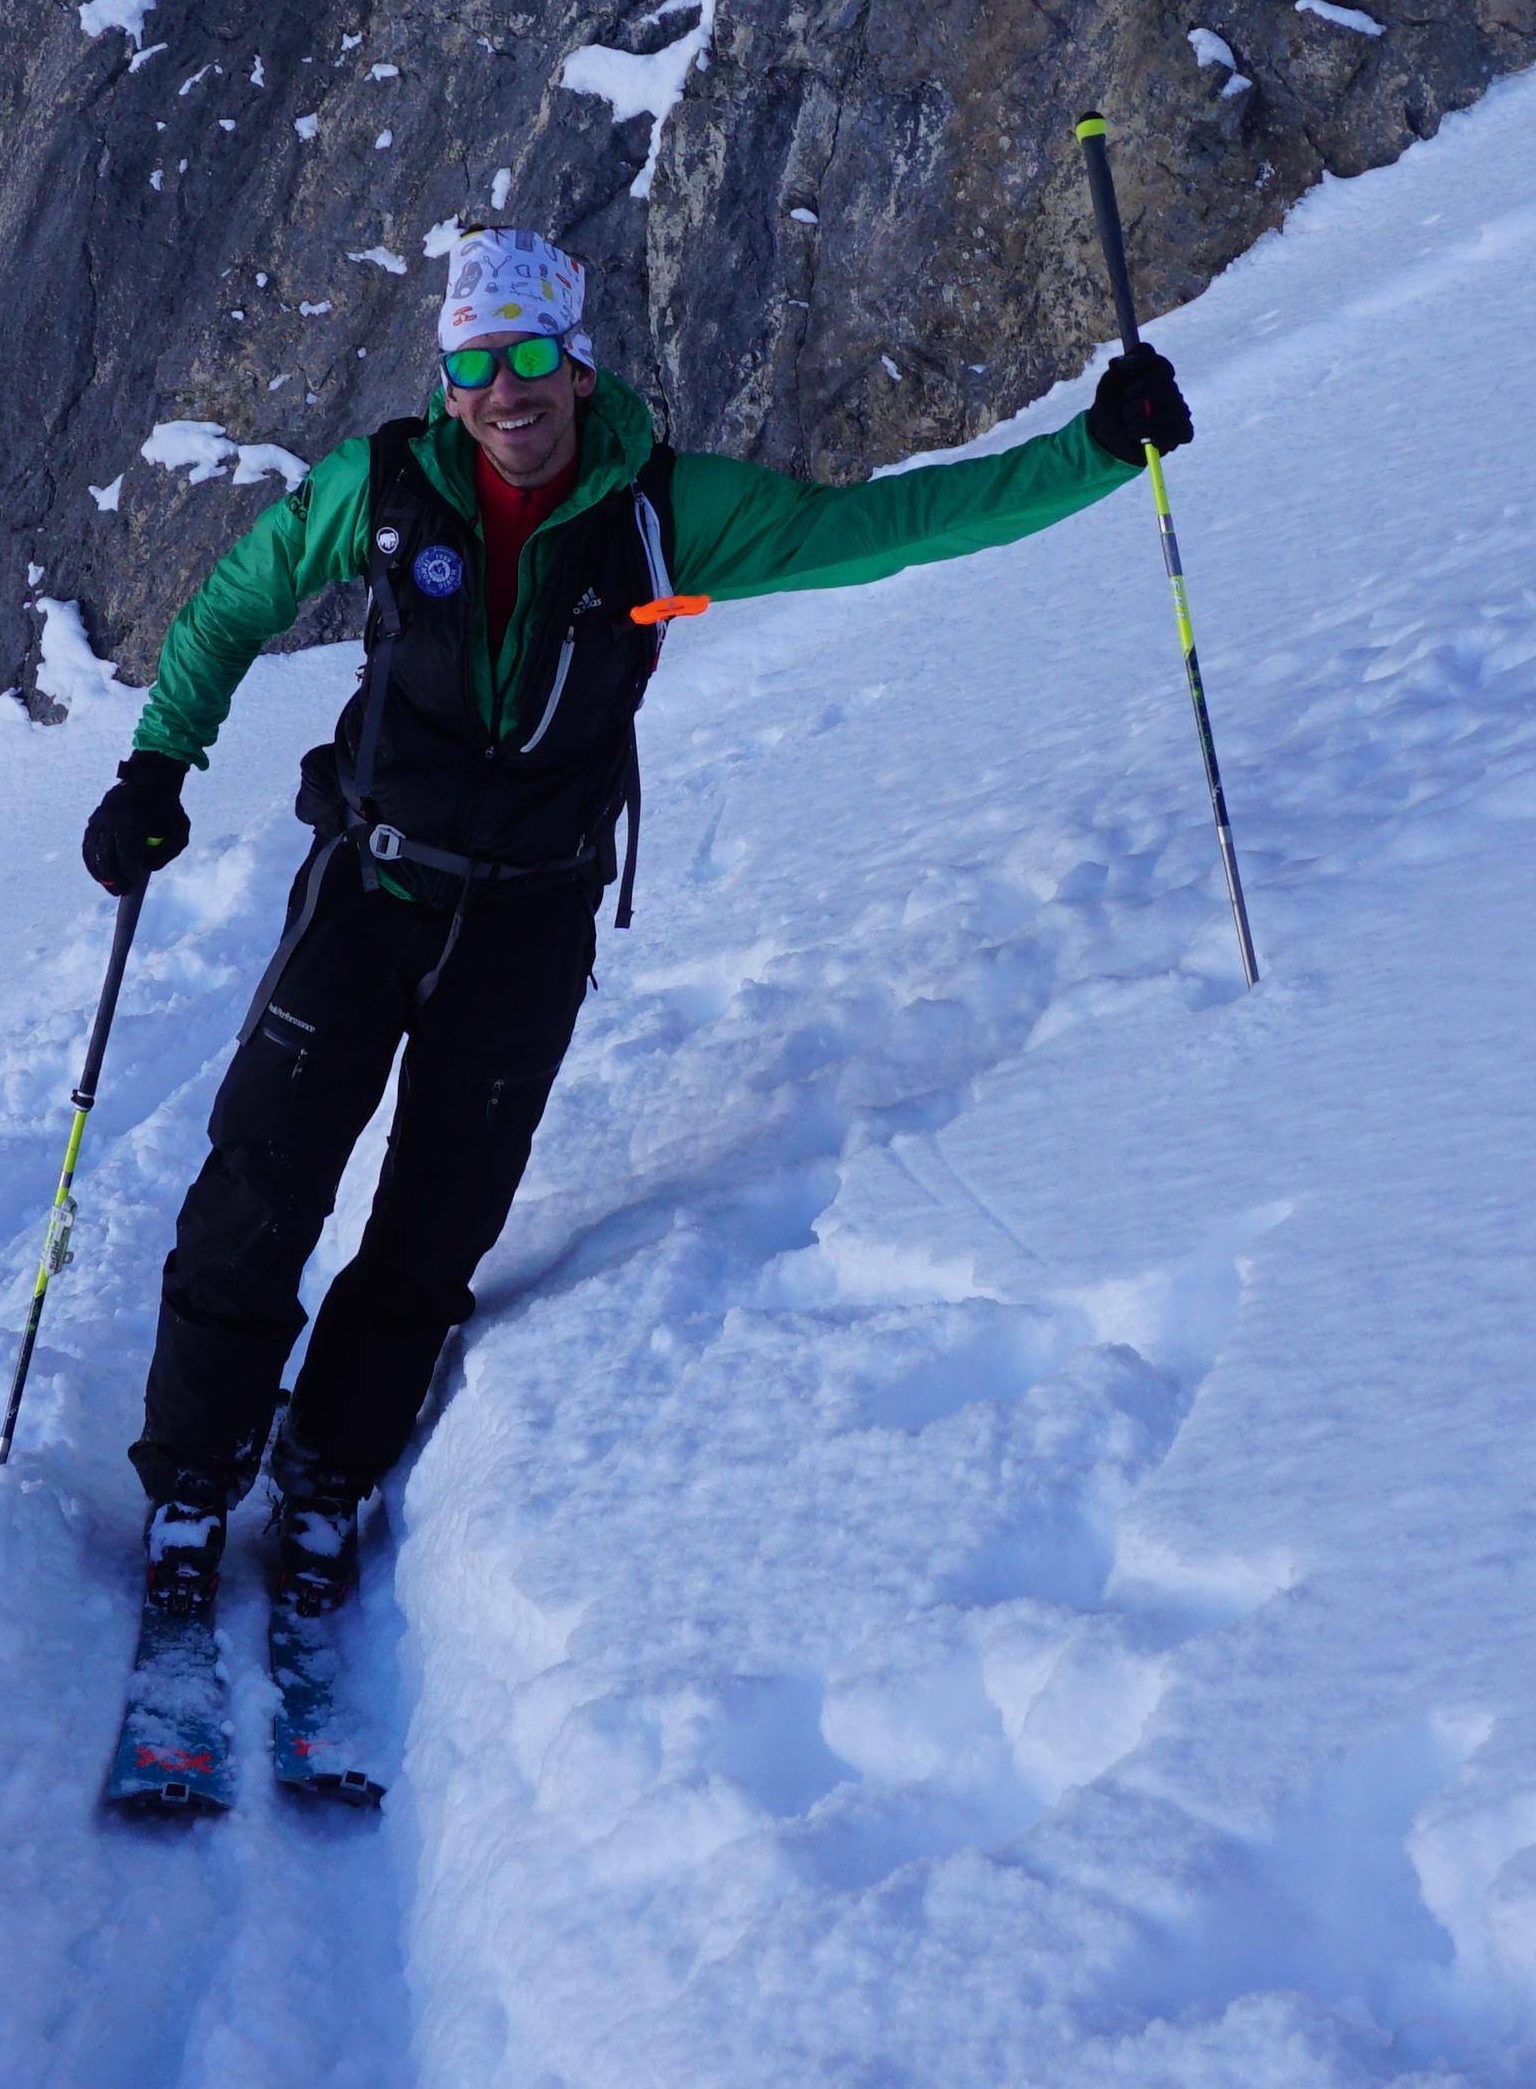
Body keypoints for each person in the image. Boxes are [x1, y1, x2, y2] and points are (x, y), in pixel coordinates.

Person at [79, 226, 1190, 1618]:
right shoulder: (382, 486)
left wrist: (1092, 451)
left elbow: (884, 526)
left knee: (437, 1224)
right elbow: (234, 604)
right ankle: (191, 1486)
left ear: (579, 362)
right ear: (450, 376)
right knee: (260, 1182)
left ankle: (322, 1476)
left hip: (532, 919)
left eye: (533, 355)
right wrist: (154, 768)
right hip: (369, 886)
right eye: (478, 363)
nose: (508, 390)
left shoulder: (665, 513)